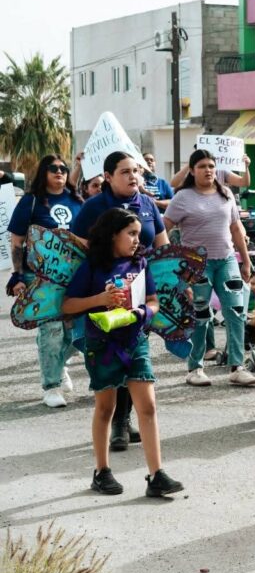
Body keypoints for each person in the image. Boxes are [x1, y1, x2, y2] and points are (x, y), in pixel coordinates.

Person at [61, 207, 183, 498]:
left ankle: (156, 475)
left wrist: (144, 313)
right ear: (113, 234)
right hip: (101, 345)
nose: (137, 240)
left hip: (135, 340)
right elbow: (67, 305)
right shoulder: (92, 266)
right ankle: (101, 471)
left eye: (138, 234)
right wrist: (100, 299)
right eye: (131, 233)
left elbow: (153, 301)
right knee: (106, 408)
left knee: (148, 407)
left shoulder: (140, 263)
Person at [72, 151, 169, 452]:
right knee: (113, 358)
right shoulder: (93, 206)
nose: (133, 176)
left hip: (142, 292)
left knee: (134, 353)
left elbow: (163, 245)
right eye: (125, 171)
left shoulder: (148, 204)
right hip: (104, 298)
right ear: (108, 176)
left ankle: (123, 420)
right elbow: (75, 247)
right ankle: (115, 421)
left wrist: (171, 285)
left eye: (136, 171)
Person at [163, 149, 255, 388]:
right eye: (202, 166)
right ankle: (195, 368)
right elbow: (163, 228)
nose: (208, 170)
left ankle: (237, 367)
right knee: (201, 316)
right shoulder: (182, 197)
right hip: (197, 265)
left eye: (211, 166)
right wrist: (171, 261)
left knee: (236, 312)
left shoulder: (226, 193)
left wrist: (246, 261)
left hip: (226, 260)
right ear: (192, 171)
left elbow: (236, 228)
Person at [5, 154, 83, 407]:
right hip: (40, 277)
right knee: (51, 330)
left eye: (63, 168)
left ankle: (58, 364)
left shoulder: (76, 201)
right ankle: (51, 386)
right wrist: (18, 276)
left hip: (74, 276)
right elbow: (17, 241)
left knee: (76, 331)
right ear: (43, 172)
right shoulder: (31, 202)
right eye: (53, 168)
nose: (59, 171)